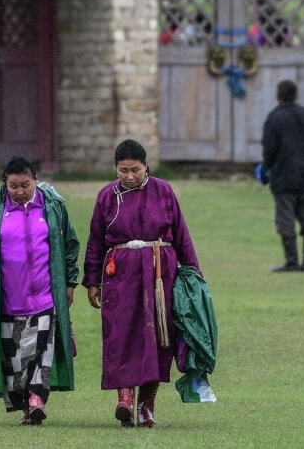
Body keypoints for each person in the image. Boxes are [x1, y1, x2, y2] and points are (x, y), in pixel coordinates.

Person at [84, 139, 200, 428]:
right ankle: (125, 399)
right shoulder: (106, 196)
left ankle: (146, 406)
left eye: (135, 169)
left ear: (146, 166)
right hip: (120, 274)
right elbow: (96, 241)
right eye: (123, 170)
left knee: (159, 337)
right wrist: (92, 281)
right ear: (116, 169)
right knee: (122, 333)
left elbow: (182, 234)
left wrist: (194, 274)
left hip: (160, 273)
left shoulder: (164, 191)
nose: (130, 176)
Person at [0, 156, 79, 425]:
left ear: (36, 181)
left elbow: (70, 246)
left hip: (45, 296)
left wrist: (70, 282)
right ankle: (28, 407)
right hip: (7, 299)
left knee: (42, 351)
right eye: (13, 186)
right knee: (15, 360)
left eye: (25, 185)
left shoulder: (53, 208)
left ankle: (37, 399)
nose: (19, 191)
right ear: (5, 184)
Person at [262, 79, 304, 272]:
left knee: (285, 220)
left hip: (283, 177)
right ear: (295, 95)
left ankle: (291, 261)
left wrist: (266, 167)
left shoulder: (274, 118)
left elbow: (269, 150)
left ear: (278, 96)